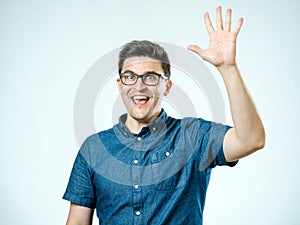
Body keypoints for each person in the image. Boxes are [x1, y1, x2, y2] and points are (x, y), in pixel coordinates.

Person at [63, 6, 265, 225]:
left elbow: (251, 140)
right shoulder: (94, 148)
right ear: (120, 85)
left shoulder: (193, 136)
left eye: (150, 77)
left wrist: (228, 68)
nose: (139, 86)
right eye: (130, 76)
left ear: (166, 86)